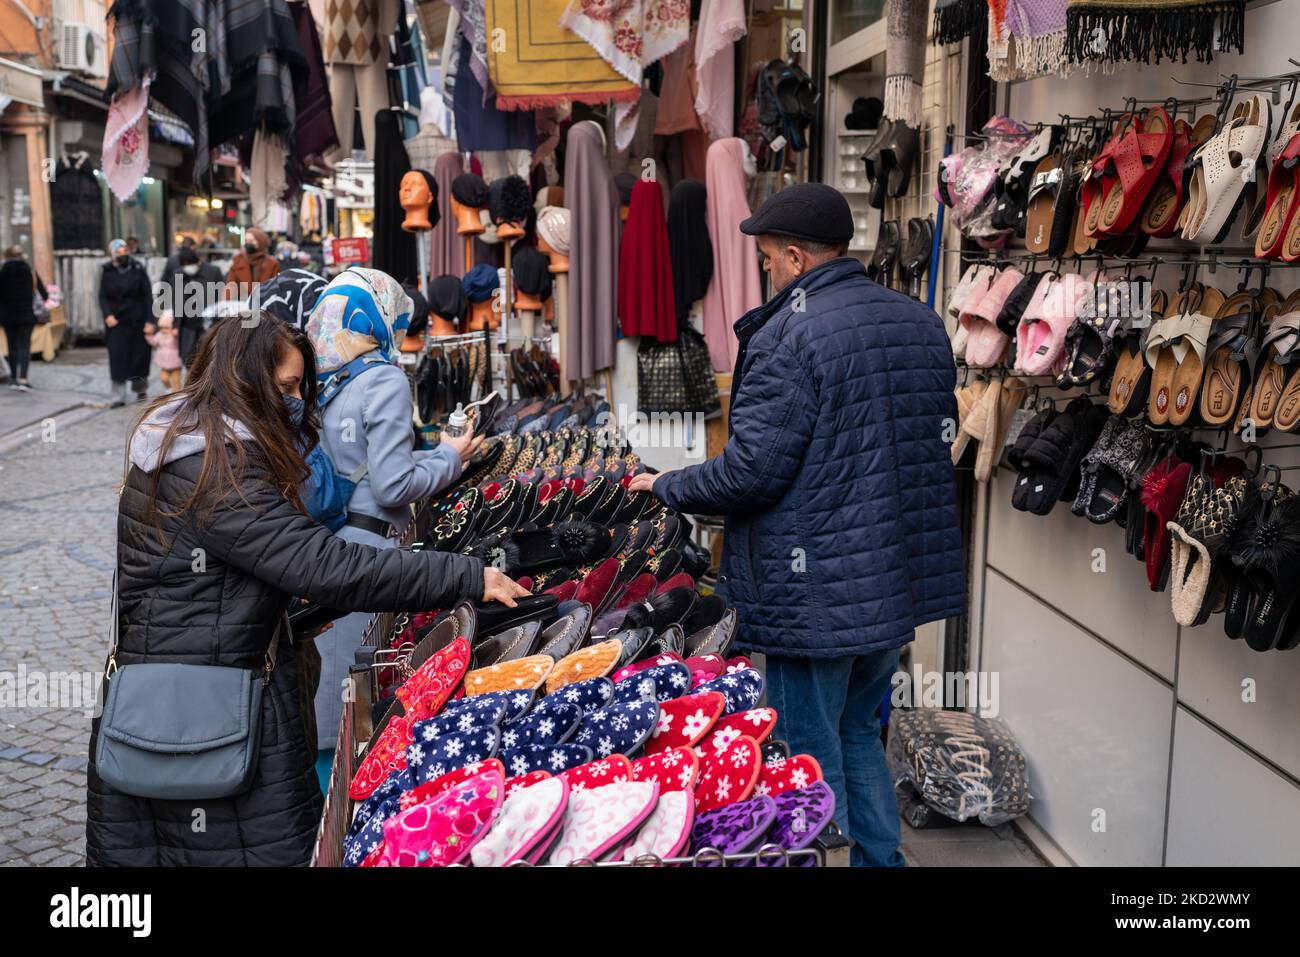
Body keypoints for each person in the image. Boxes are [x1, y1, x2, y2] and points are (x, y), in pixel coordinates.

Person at [86, 316, 527, 866]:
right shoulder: (217, 470)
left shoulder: (191, 444)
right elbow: (327, 565)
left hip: (197, 697)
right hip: (211, 717)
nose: (297, 401)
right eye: (288, 387)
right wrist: (466, 575)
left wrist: (300, 614)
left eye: (301, 387)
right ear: (245, 380)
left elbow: (225, 586)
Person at [628, 183, 964, 867]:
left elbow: (751, 472)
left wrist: (666, 482)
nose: (764, 273)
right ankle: (881, 860)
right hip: (890, 584)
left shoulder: (789, 335)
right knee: (861, 733)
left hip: (814, 597)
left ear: (794, 257)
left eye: (767, 261)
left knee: (803, 758)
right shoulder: (919, 320)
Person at [305, 267, 484, 784]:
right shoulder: (381, 377)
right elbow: (392, 485)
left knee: (333, 697)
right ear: (375, 318)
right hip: (369, 551)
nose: (402, 334)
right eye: (398, 322)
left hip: (331, 541)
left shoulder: (326, 375)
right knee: (352, 705)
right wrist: (451, 457)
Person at [99, 238, 153, 406]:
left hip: (137, 319)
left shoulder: (138, 269)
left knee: (140, 357)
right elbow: (102, 296)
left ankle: (140, 389)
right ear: (113, 254)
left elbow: (147, 296)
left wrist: (150, 321)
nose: (122, 255)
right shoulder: (107, 271)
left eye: (124, 251)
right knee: (117, 357)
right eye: (118, 252)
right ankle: (118, 396)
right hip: (116, 322)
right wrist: (107, 315)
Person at [0, 246, 48, 392]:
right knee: (24, 346)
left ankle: (13, 379)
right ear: (21, 256)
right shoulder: (30, 271)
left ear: (5, 256)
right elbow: (44, 295)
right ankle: (23, 379)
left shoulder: (2, 272)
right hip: (27, 315)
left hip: (7, 316)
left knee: (11, 346)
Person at [225, 227, 279, 299]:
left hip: (264, 306)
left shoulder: (272, 263)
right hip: (242, 306)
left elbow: (276, 289)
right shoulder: (237, 261)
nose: (248, 243)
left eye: (251, 240)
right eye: (246, 240)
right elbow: (230, 288)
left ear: (260, 242)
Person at [145, 313, 183, 391]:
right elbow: (154, 342)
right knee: (163, 378)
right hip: (164, 363)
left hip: (175, 362)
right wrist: (149, 336)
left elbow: (181, 343)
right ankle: (170, 389)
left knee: (176, 381)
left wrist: (177, 334)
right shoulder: (159, 335)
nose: (163, 330)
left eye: (166, 328)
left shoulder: (174, 336)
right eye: (161, 328)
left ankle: (177, 394)